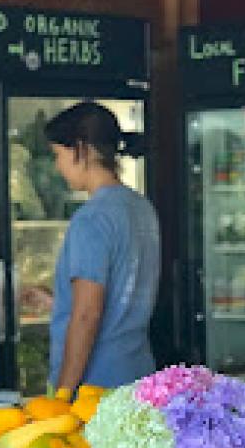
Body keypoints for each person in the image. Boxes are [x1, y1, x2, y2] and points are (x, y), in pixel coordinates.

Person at [44, 102, 160, 393]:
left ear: (80, 149)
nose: (58, 166)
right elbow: (121, 294)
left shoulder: (92, 218)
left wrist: (63, 394)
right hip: (139, 378)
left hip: (95, 388)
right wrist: (55, 301)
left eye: (58, 155)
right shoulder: (141, 207)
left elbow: (88, 314)